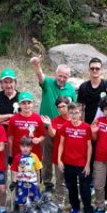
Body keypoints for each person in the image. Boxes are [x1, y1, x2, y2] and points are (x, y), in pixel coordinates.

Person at [31, 55, 76, 195]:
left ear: (68, 77)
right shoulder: (48, 83)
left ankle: (63, 184)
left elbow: (73, 108)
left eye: (65, 77)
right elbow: (40, 75)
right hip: (47, 128)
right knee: (47, 157)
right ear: (56, 74)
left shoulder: (71, 90)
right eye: (60, 75)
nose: (62, 79)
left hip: (65, 129)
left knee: (64, 157)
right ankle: (48, 184)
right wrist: (36, 64)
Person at [57, 102, 94, 213]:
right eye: (71, 113)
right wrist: (59, 159)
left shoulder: (86, 127)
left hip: (82, 164)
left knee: (85, 188)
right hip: (68, 163)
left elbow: (89, 146)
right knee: (71, 187)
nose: (74, 115)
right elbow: (61, 144)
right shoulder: (65, 126)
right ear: (69, 113)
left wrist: (88, 164)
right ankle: (75, 209)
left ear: (80, 113)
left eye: (76, 112)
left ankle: (88, 211)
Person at [6, 92, 47, 181]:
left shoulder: (37, 118)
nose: (26, 106)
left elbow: (43, 135)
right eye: (23, 103)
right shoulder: (14, 119)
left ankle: (36, 194)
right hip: (18, 155)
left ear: (32, 104)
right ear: (19, 105)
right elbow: (10, 138)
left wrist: (39, 139)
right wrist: (10, 155)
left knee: (35, 181)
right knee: (20, 181)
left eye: (29, 103)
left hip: (34, 154)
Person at [48, 96, 73, 202]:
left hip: (72, 155)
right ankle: (60, 198)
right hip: (59, 155)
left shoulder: (74, 119)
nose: (62, 109)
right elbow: (53, 134)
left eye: (64, 106)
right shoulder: (56, 120)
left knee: (72, 179)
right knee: (59, 179)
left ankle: (73, 199)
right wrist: (49, 124)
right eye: (59, 107)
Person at [11, 135, 42, 213]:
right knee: (21, 201)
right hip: (21, 182)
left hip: (32, 182)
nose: (25, 149)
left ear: (31, 147)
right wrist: (14, 181)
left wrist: (38, 182)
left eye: (27, 146)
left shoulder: (34, 157)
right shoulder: (17, 157)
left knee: (35, 200)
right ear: (20, 147)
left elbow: (38, 170)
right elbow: (14, 170)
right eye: (23, 146)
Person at [77, 58, 107, 125]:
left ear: (101, 70)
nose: (94, 70)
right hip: (88, 124)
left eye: (97, 68)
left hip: (104, 124)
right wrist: (80, 124)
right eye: (92, 68)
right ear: (89, 70)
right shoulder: (83, 87)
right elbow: (80, 108)